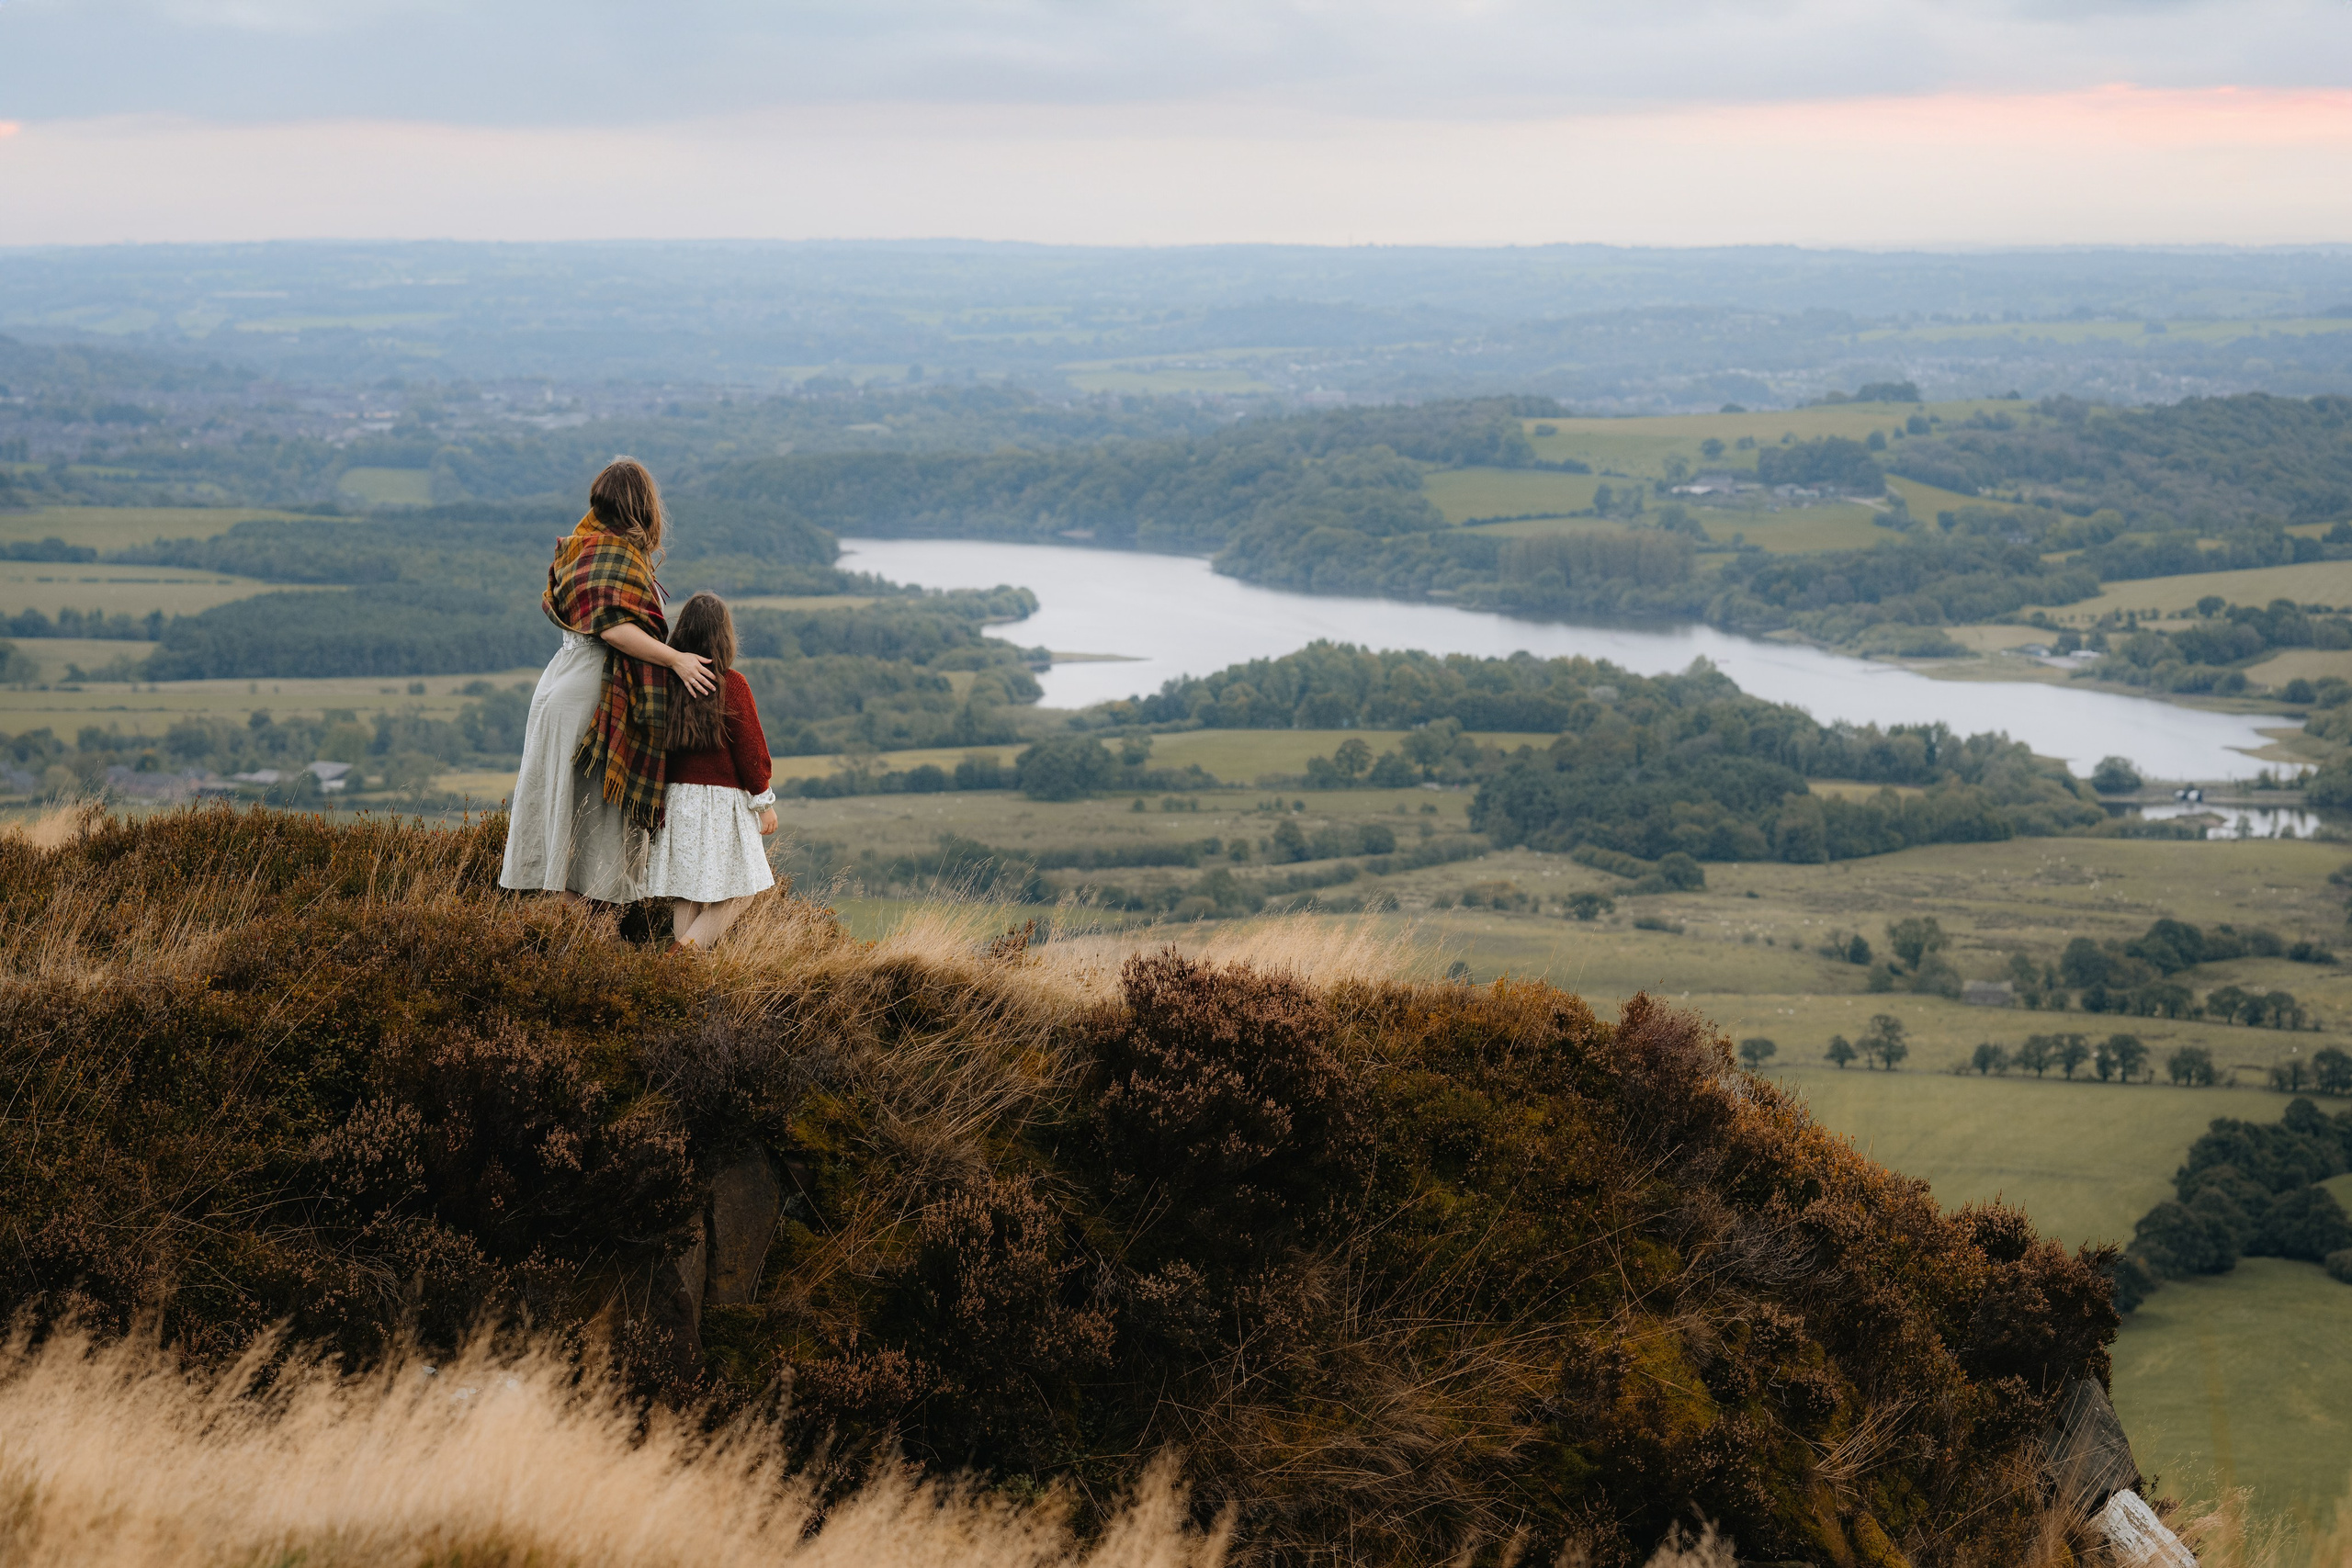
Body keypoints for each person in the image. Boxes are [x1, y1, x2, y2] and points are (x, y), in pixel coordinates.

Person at [500, 457, 716, 904]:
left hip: (563, 683)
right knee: (589, 811)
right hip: (591, 692)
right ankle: (584, 935)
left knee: (566, 806)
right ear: (643, 506)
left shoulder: (581, 548)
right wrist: (675, 660)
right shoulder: (609, 554)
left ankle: (568, 931)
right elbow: (613, 629)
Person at [641, 592, 777, 948]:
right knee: (739, 892)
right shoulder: (732, 686)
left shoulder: (666, 683)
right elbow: (751, 754)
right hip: (722, 806)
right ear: (725, 636)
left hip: (675, 802)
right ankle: (684, 955)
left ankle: (682, 976)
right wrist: (764, 801)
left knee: (686, 892)